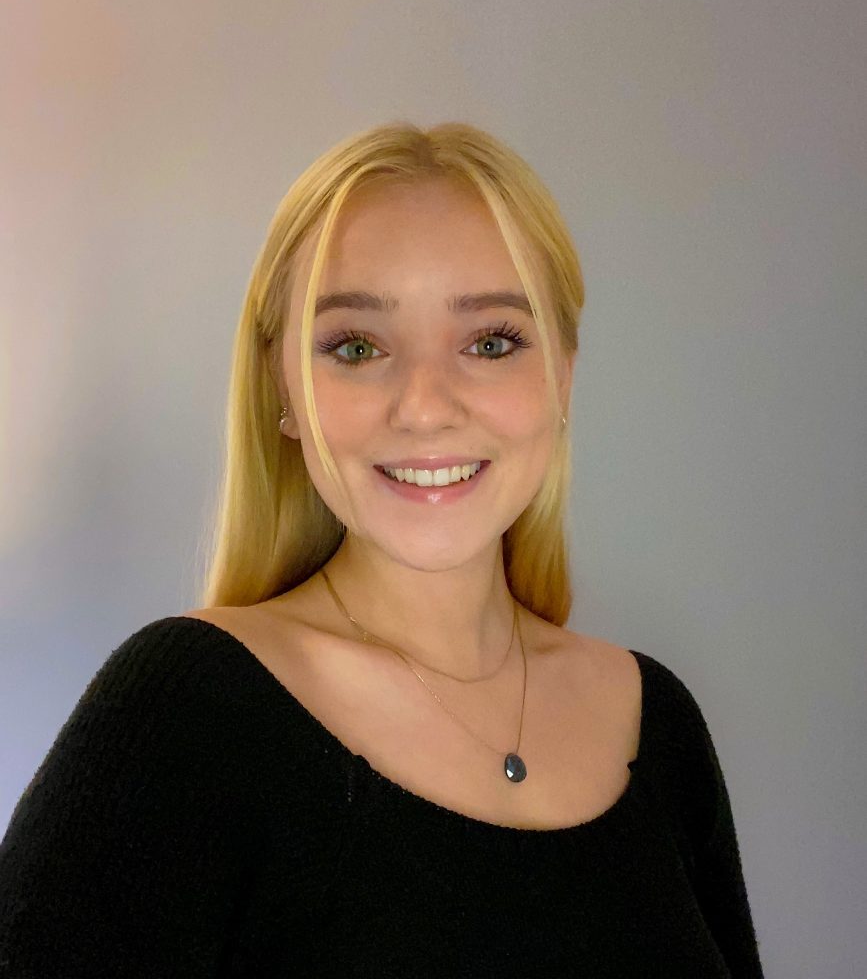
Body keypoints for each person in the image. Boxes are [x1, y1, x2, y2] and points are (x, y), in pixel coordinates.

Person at [0, 121, 764, 977]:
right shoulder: (185, 712)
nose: (424, 407)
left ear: (562, 376)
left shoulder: (656, 724)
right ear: (282, 388)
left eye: (490, 342)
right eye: (356, 348)